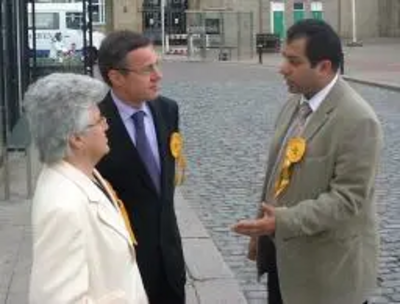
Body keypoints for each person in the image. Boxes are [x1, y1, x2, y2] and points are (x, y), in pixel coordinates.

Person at [233, 19, 383, 304]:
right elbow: (276, 173)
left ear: (323, 67)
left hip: (327, 279)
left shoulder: (358, 120)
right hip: (284, 264)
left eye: (293, 61)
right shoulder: (296, 103)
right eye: (283, 58)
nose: (282, 68)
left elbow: (347, 200)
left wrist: (281, 222)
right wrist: (262, 233)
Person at [25, 73, 148, 304]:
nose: (106, 126)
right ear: (76, 139)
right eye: (99, 120)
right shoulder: (63, 208)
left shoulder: (84, 171)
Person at [96, 30, 186, 304]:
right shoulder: (95, 124)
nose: (157, 75)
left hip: (169, 263)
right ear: (116, 77)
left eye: (156, 65)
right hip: (123, 269)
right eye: (147, 69)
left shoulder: (167, 111)